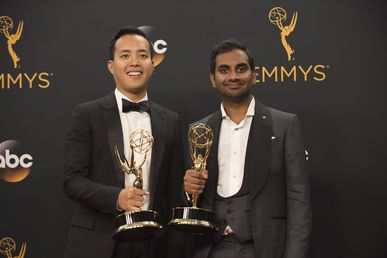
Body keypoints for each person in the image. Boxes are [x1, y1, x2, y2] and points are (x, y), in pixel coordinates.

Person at [64, 26, 184, 258]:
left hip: (153, 245)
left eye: (142, 55)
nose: (135, 62)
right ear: (111, 66)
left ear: (152, 63)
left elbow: (173, 190)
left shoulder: (170, 120)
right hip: (98, 243)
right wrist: (116, 197)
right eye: (125, 55)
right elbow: (72, 181)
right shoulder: (87, 114)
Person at [184, 39, 312, 258]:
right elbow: (192, 200)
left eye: (241, 69)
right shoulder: (199, 130)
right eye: (224, 70)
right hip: (211, 248)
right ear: (213, 79)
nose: (233, 76)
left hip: (264, 248)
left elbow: (299, 201)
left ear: (254, 75)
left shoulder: (284, 125)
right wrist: (188, 189)